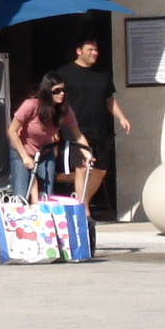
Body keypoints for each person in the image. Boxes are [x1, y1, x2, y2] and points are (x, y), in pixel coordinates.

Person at [52, 39, 130, 209]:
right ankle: (84, 211)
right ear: (79, 51)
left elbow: (109, 99)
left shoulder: (102, 73)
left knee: (101, 170)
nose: (94, 53)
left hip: (99, 128)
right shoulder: (65, 73)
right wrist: (54, 125)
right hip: (75, 130)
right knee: (82, 169)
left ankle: (81, 203)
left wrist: (121, 117)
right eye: (90, 50)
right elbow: (55, 102)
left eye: (96, 50)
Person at [6, 72, 88, 202]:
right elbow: (12, 131)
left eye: (64, 90)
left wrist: (87, 154)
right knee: (21, 194)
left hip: (44, 151)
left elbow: (77, 135)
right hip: (21, 151)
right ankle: (21, 217)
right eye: (57, 91)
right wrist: (24, 157)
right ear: (47, 92)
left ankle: (44, 218)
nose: (62, 94)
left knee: (47, 193)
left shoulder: (64, 110)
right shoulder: (31, 105)